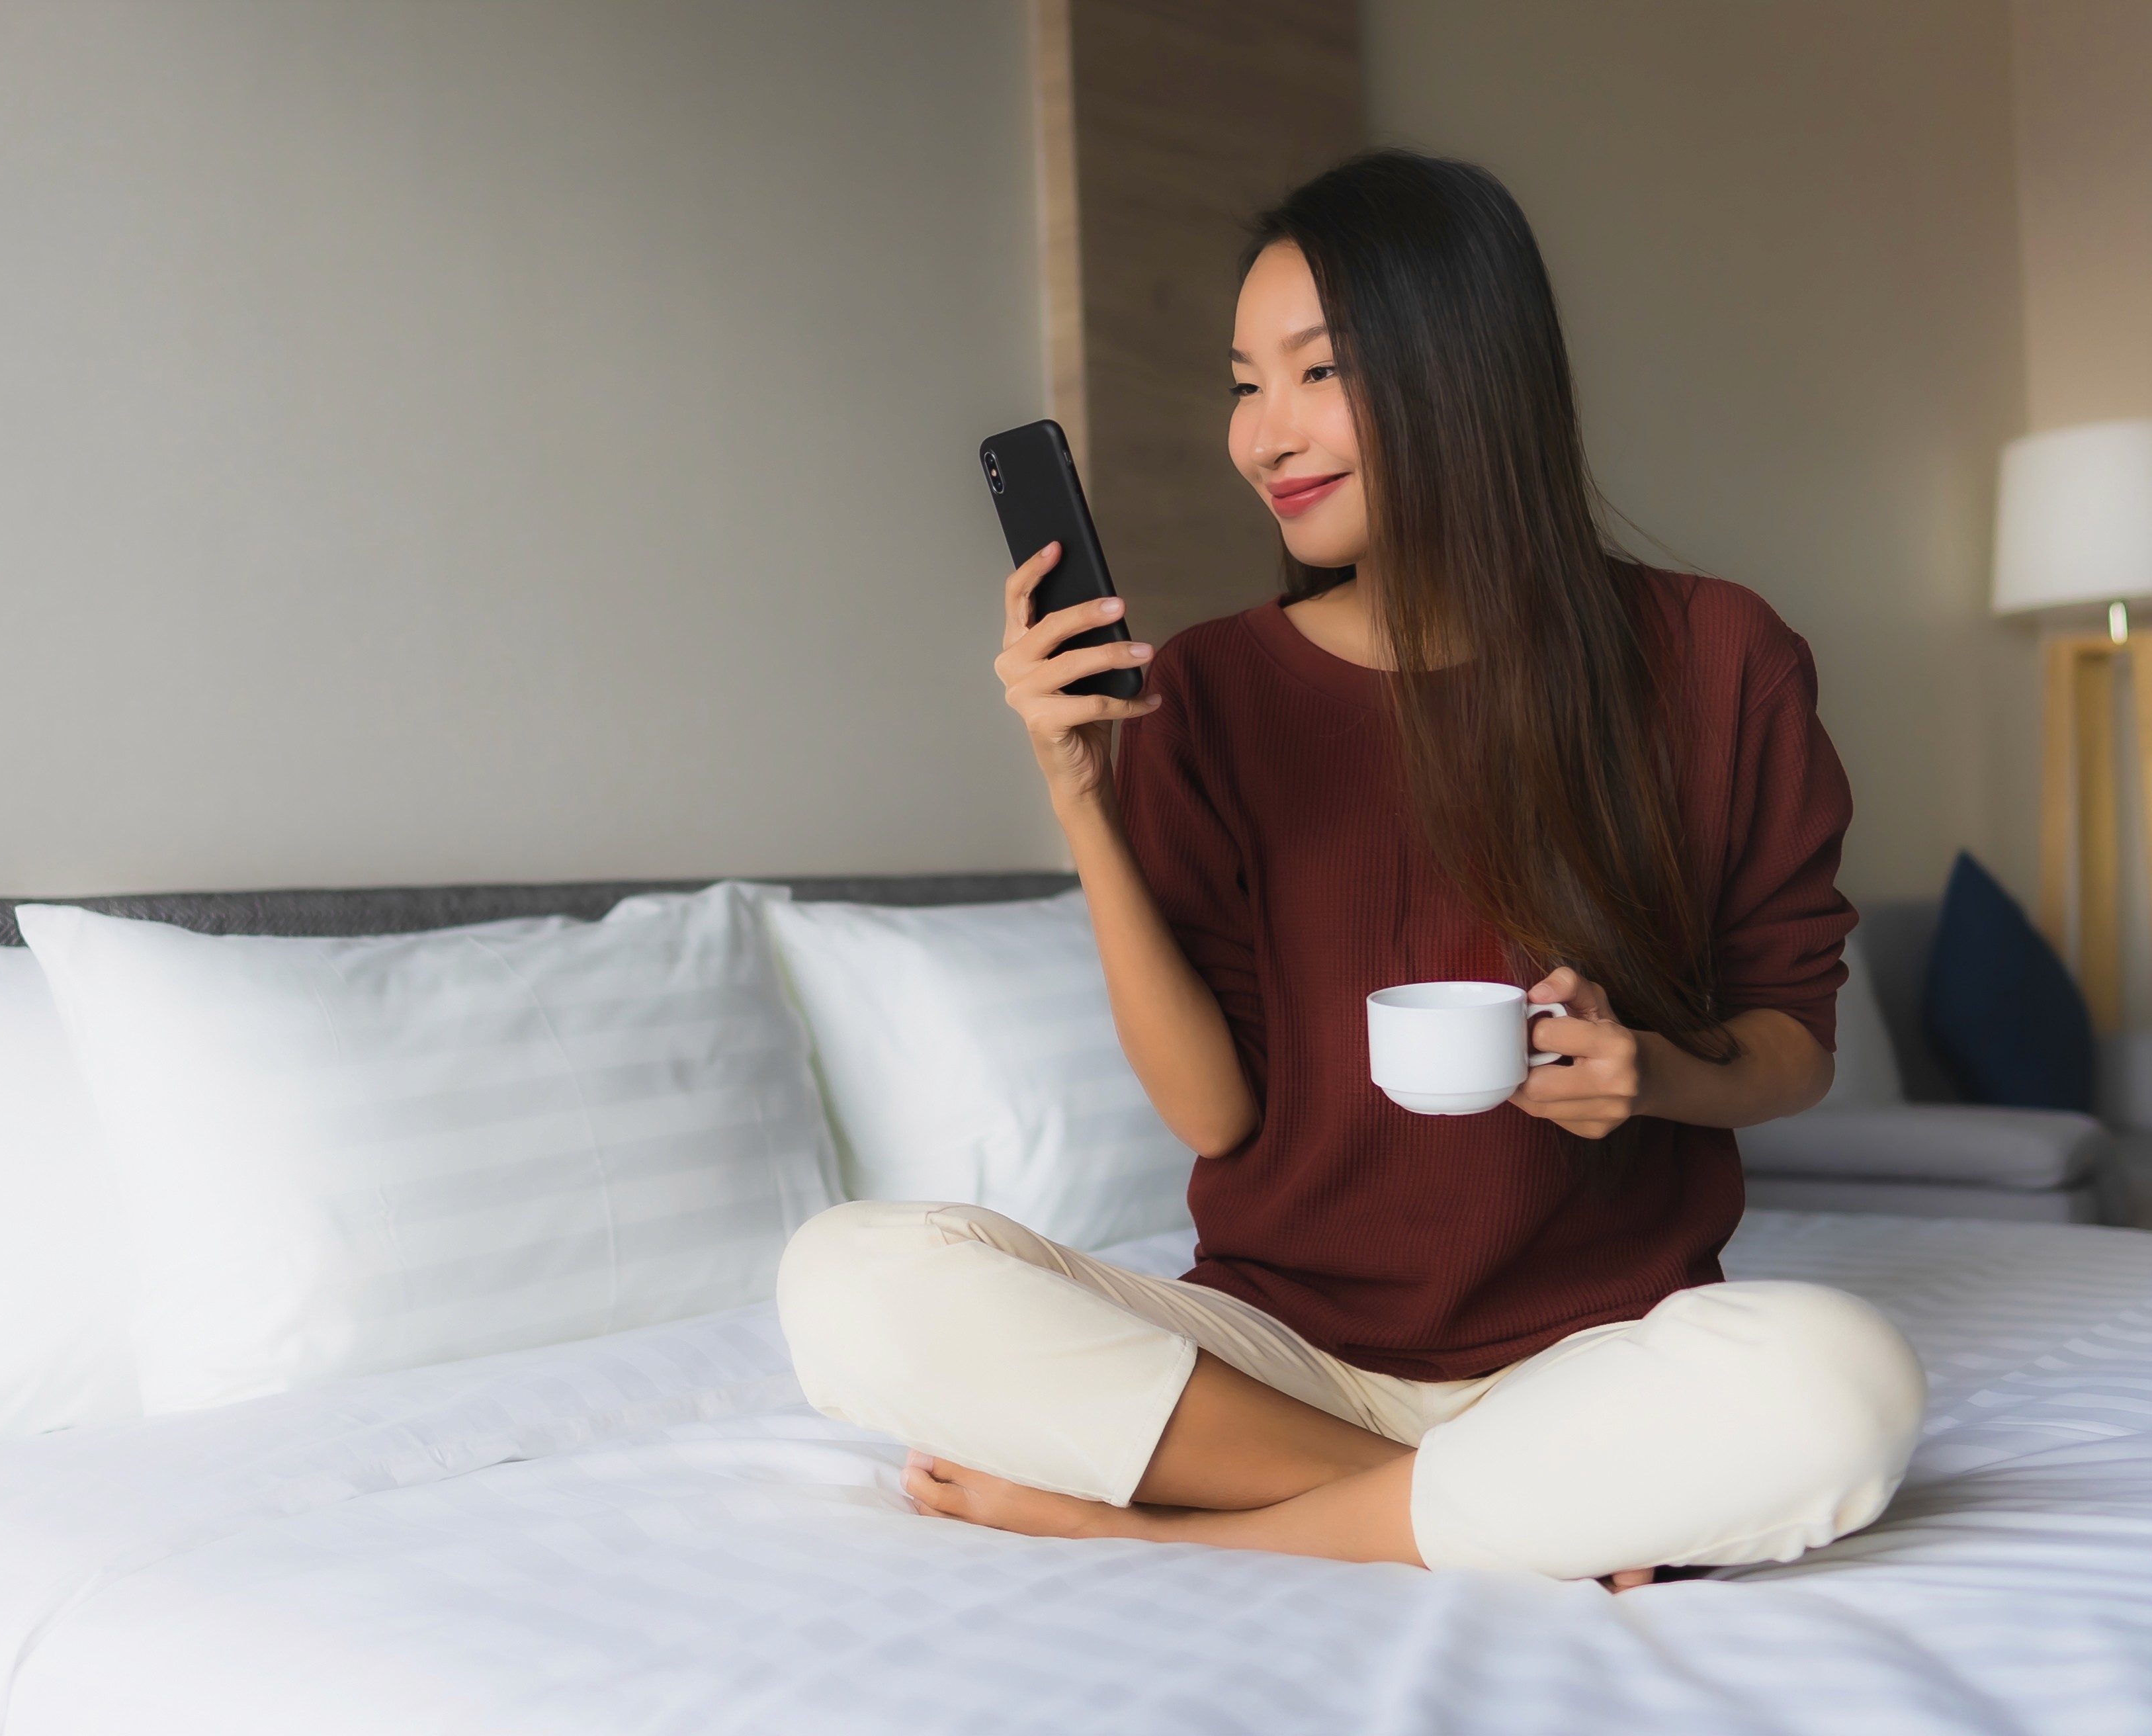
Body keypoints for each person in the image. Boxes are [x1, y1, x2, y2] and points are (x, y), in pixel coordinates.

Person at [775, 150, 1925, 1588]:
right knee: (848, 1283)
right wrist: (1079, 792)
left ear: (1466, 372)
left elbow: (1790, 1044)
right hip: (1276, 1359)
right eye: (1244, 383)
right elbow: (1214, 1110)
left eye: (1316, 373)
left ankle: (1168, 1525)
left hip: (1594, 1357)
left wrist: (1656, 1075)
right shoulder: (1207, 693)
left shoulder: (1719, 658)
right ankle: (1477, 1510)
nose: (1264, 436)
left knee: (1845, 1382)